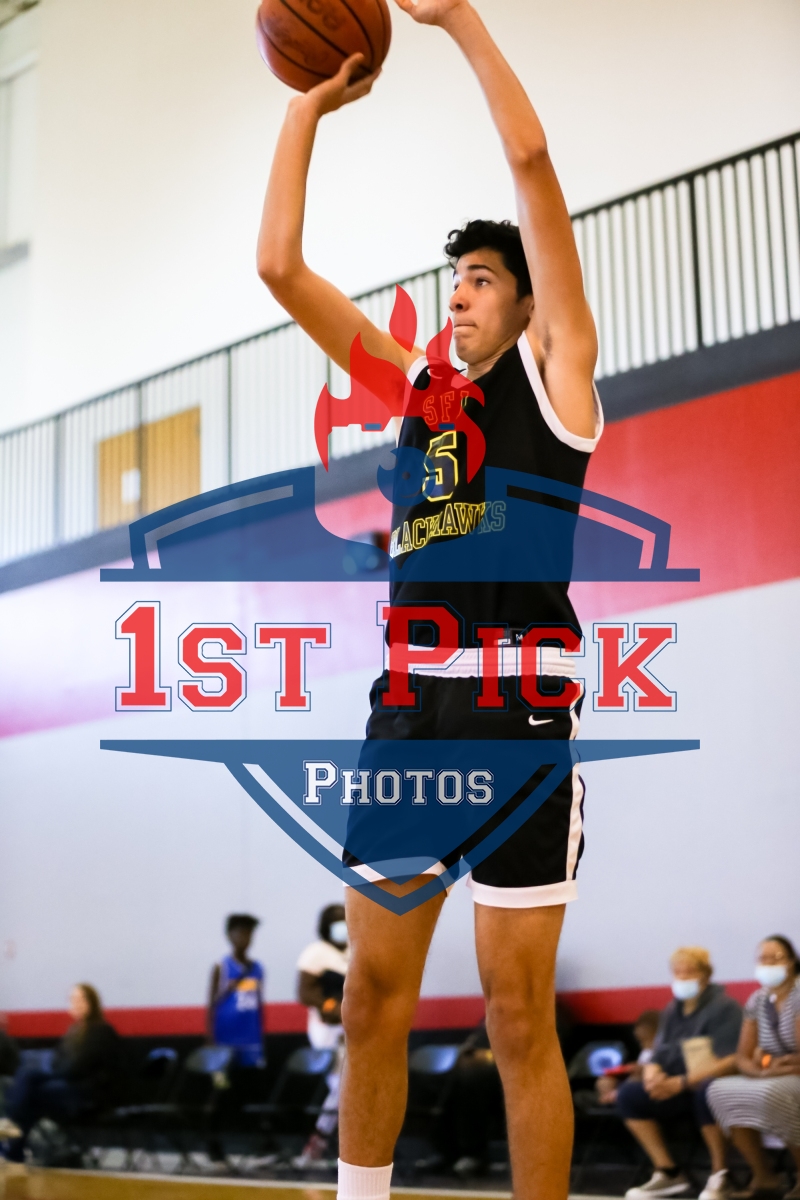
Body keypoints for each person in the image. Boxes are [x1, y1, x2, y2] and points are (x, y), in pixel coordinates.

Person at [257, 2, 602, 1198]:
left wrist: (456, 20)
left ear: (525, 307)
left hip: (515, 715)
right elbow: (278, 268)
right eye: (450, 280)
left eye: (479, 281)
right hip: (406, 716)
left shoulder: (555, 386)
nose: (456, 297)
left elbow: (530, 161)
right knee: (368, 999)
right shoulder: (411, 393)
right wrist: (307, 108)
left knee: (514, 1015)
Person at [618, 948, 742, 1200]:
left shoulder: (726, 1007)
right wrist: (652, 1073)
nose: (683, 977)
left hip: (707, 1084)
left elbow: (731, 1059)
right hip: (674, 1085)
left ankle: (721, 1174)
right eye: (678, 972)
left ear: (706, 974)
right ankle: (669, 1172)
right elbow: (659, 1052)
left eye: (690, 972)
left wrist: (683, 1082)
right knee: (629, 1095)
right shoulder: (672, 1010)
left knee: (708, 1091)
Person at [707, 935, 800, 1200]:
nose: (768, 963)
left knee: (776, 1093)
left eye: (776, 958)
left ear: (791, 962)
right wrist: (763, 1069)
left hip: (792, 1074)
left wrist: (771, 1064)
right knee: (719, 1090)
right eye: (763, 958)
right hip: (773, 1073)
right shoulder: (758, 999)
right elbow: (743, 1056)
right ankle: (764, 1176)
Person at [0, 984, 121, 1163]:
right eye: (73, 999)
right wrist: (61, 1070)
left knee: (30, 1085)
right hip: (69, 1084)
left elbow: (78, 1068)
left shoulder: (101, 1031)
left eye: (81, 999)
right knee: (29, 1089)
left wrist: (61, 1070)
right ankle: (15, 1148)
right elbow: (58, 1062)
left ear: (92, 1002)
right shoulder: (74, 1031)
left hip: (88, 1094)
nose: (76, 1003)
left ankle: (11, 1131)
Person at [293, 904, 350, 1167]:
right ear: (326, 927)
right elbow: (304, 993)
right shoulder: (315, 953)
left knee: (347, 1088)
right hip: (326, 1029)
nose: (343, 927)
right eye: (337, 922)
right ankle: (317, 1144)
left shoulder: (353, 952)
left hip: (351, 1027)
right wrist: (329, 1006)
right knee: (342, 1087)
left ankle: (326, 1145)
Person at [208, 914, 265, 1068]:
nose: (244, 938)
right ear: (229, 935)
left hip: (250, 1039)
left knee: (249, 1079)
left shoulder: (258, 968)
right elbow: (211, 1005)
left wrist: (261, 1034)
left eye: (248, 934)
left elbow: (259, 1005)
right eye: (240, 933)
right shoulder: (221, 967)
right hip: (225, 1038)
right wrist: (209, 1040)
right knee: (223, 1079)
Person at [595, 1010, 661, 1107]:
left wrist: (640, 1070)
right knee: (604, 1081)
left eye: (647, 1040)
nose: (643, 1045)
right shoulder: (646, 1052)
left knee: (633, 1082)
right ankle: (607, 1099)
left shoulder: (664, 1052)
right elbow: (640, 1065)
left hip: (647, 1086)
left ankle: (613, 1098)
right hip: (631, 1084)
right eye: (640, 1041)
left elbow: (654, 1071)